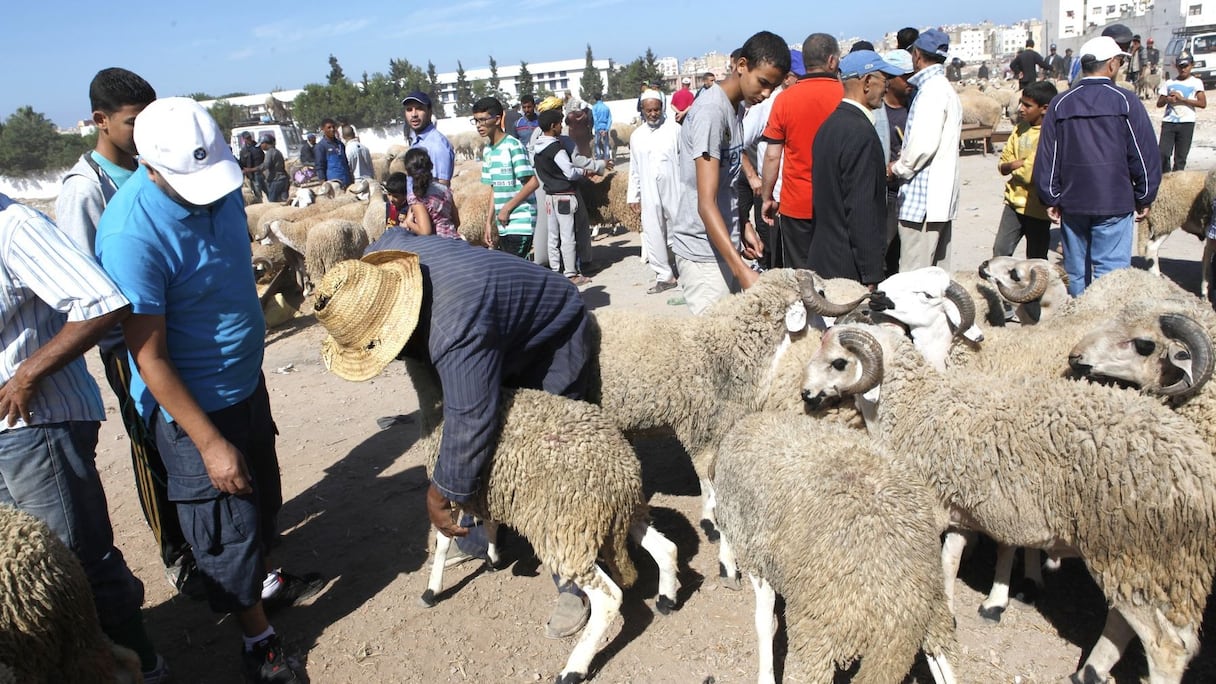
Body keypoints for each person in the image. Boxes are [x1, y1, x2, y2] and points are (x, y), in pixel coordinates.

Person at [95, 97, 325, 683]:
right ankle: (259, 642)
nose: (205, 192)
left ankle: (265, 584)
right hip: (193, 409)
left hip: (245, 385)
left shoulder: (219, 191)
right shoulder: (131, 234)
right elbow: (149, 356)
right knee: (223, 529)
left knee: (261, 502)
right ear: (149, 168)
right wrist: (208, 442)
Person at [311, 236, 594, 638]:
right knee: (490, 450)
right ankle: (482, 535)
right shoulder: (384, 257)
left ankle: (574, 572)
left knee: (550, 455)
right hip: (496, 324)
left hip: (552, 330)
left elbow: (469, 419)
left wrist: (440, 492)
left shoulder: (455, 328)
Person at [0, 194, 169, 683]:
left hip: (38, 423)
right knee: (19, 577)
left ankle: (141, 666)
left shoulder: (14, 226)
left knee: (73, 564)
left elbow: (99, 301)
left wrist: (28, 374)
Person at [53, 67, 204, 604]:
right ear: (101, 121)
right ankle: (177, 553)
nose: (143, 134)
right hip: (127, 342)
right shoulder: (84, 192)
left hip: (174, 326)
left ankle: (209, 538)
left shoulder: (151, 167)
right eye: (132, 123)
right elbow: (82, 287)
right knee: (151, 444)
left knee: (191, 434)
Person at [669, 30, 790, 314]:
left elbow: (726, 184)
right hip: (703, 254)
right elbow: (705, 202)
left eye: (772, 87)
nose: (765, 94)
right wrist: (741, 270)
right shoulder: (712, 113)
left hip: (721, 247)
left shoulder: (734, 109)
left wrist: (742, 226)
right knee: (715, 352)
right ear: (741, 65)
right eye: (762, 83)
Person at [1036, 36, 1162, 295]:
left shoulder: (1061, 103)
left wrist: (1051, 198)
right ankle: (1107, 332)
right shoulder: (1125, 101)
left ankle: (1080, 329)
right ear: (1112, 65)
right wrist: (1145, 195)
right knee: (1111, 276)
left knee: (1076, 274)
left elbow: (1048, 156)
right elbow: (1143, 153)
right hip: (1114, 202)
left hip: (1073, 204)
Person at [808, 50, 906, 287]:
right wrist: (871, 273)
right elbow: (862, 209)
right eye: (884, 80)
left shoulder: (829, 126)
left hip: (824, 257)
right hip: (848, 269)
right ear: (867, 82)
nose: (886, 88)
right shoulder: (861, 133)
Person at [760, 33, 844, 270]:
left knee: (801, 276)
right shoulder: (845, 95)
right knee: (836, 274)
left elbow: (772, 155)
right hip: (837, 202)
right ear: (832, 61)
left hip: (797, 204)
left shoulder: (784, 100)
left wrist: (767, 197)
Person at [888, 29, 962, 273]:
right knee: (935, 274)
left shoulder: (931, 92)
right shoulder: (943, 89)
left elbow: (922, 145)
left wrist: (897, 167)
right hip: (936, 201)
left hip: (923, 204)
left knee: (914, 278)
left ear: (917, 55)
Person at [740, 49, 803, 270]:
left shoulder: (800, 100)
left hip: (797, 198)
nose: (803, 82)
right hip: (774, 199)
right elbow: (736, 144)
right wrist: (752, 177)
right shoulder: (766, 106)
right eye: (799, 77)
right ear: (787, 77)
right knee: (779, 260)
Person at [993, 81, 1057, 260]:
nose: (1020, 109)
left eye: (1027, 105)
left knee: (1036, 260)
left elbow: (1032, 174)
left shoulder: (1049, 134)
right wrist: (1015, 165)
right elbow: (1003, 163)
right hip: (1013, 203)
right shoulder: (1020, 129)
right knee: (1000, 252)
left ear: (1044, 108)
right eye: (1021, 103)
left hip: (1037, 208)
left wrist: (1014, 166)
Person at [534, 109, 597, 285]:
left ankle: (556, 270)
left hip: (549, 196)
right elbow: (569, 172)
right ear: (553, 126)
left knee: (553, 235)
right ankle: (571, 273)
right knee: (568, 235)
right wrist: (584, 171)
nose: (561, 126)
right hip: (564, 196)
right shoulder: (556, 148)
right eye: (560, 123)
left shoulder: (537, 148)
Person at [628, 88, 682, 293]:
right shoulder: (636, 136)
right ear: (642, 110)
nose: (653, 114)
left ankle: (687, 268)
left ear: (662, 108)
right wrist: (634, 195)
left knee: (680, 226)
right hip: (649, 190)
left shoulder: (675, 130)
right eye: (648, 110)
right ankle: (664, 276)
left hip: (675, 187)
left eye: (656, 109)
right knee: (653, 230)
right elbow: (634, 167)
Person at [474, 97, 539, 257]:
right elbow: (494, 189)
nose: (478, 125)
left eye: (482, 120)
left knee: (516, 270)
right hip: (503, 222)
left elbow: (533, 182)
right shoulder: (488, 151)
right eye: (475, 120)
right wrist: (489, 223)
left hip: (521, 219)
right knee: (515, 272)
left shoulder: (513, 146)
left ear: (497, 120)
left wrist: (507, 208)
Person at [872, 49, 915, 276]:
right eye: (905, 76)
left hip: (909, 191)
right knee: (883, 251)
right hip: (886, 191)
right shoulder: (878, 111)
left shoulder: (914, 107)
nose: (910, 81)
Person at [1157, 53, 1206, 172]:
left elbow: (1202, 103)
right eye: (1180, 66)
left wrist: (1183, 99)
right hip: (1169, 121)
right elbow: (1159, 103)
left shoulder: (1196, 82)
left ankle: (1177, 183)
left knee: (1180, 157)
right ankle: (1165, 178)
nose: (1183, 69)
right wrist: (1168, 99)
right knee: (1163, 153)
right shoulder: (1169, 83)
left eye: (1186, 66)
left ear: (1192, 65)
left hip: (1186, 122)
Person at [402, 148, 460, 238]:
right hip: (453, 238)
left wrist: (409, 222)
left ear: (408, 172)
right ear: (431, 166)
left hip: (436, 243)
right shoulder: (445, 190)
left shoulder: (417, 196)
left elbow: (425, 231)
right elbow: (456, 221)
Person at [403, 91, 455, 188]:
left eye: (419, 109)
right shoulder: (417, 141)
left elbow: (441, 188)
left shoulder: (437, 144)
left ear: (429, 111)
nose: (414, 114)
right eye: (409, 109)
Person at [314, 118, 351, 188]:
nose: (332, 129)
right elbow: (319, 166)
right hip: (334, 184)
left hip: (346, 181)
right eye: (329, 128)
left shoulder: (340, 144)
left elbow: (346, 162)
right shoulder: (320, 146)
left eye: (333, 127)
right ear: (323, 129)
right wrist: (323, 182)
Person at [239, 131, 267, 202]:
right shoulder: (243, 151)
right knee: (257, 193)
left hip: (262, 172)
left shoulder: (257, 146)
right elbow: (242, 163)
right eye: (247, 138)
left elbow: (263, 158)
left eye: (249, 137)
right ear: (244, 139)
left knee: (268, 190)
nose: (249, 139)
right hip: (253, 176)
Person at [259, 133, 289, 202]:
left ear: (265, 143)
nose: (261, 146)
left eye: (261, 144)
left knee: (273, 203)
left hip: (276, 180)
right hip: (283, 179)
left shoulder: (270, 152)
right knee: (284, 201)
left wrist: (252, 169)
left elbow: (266, 165)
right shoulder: (277, 152)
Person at [591, 92, 612, 161]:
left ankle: (599, 158)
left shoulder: (594, 107)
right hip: (605, 127)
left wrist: (599, 129)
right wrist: (606, 129)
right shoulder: (606, 107)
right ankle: (607, 158)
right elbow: (610, 119)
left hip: (598, 128)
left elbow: (595, 119)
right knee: (606, 144)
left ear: (595, 99)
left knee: (597, 143)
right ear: (601, 98)